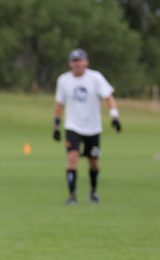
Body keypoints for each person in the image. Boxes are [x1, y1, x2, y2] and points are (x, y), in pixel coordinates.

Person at [52, 48, 121, 205]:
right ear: (70, 63)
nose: (77, 64)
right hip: (72, 126)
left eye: (80, 60)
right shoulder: (63, 80)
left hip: (93, 127)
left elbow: (108, 97)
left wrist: (114, 116)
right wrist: (56, 125)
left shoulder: (95, 78)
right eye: (74, 61)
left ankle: (93, 191)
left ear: (86, 62)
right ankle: (72, 195)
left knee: (93, 161)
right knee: (72, 158)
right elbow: (59, 104)